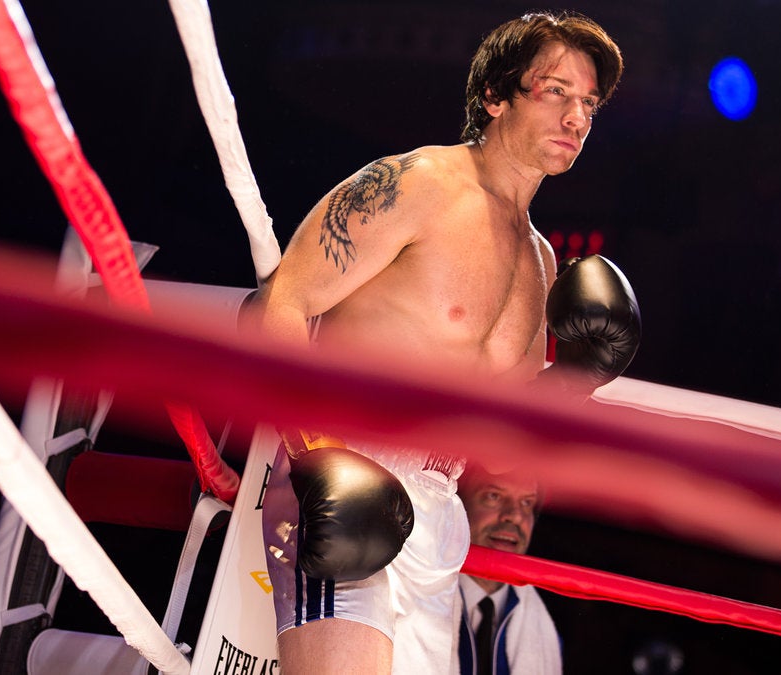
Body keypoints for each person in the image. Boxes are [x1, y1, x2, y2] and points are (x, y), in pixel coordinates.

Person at [249, 11, 636, 674]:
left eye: (589, 104)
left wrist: (574, 379)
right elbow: (275, 305)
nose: (577, 118)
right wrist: (314, 457)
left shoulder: (543, 263)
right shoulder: (418, 184)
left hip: (436, 509)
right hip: (342, 469)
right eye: (555, 92)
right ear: (494, 95)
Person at [457, 463, 560, 674]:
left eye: (526, 502)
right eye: (493, 496)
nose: (514, 516)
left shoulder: (545, 630)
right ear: (458, 505)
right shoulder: (410, 600)